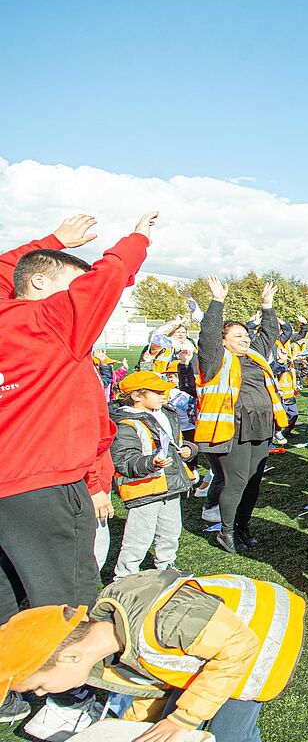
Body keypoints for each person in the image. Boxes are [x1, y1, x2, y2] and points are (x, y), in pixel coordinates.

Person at [0, 212, 155, 733]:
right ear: (38, 285)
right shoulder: (46, 325)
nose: (79, 296)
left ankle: (8, 685)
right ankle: (68, 705)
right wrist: (137, 240)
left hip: (7, 486)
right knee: (66, 598)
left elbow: (6, 271)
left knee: (7, 590)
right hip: (42, 483)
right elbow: (107, 281)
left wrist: (52, 242)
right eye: (71, 283)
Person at [0, 568, 304, 741]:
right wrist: (137, 732)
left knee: (227, 734)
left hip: (263, 636)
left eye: (37, 686)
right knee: (175, 720)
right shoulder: (106, 642)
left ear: (69, 657)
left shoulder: (165, 619)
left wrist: (184, 719)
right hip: (219, 643)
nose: (41, 693)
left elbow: (239, 647)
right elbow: (148, 684)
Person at [196, 277, 288, 555]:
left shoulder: (256, 356)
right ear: (223, 342)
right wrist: (217, 301)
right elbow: (208, 334)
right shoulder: (215, 358)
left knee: (253, 480)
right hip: (232, 428)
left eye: (246, 334)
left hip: (261, 426)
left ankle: (242, 526)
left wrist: (267, 305)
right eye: (238, 335)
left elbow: (270, 332)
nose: (246, 338)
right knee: (236, 481)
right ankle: (225, 532)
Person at [109, 371, 194, 582]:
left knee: (171, 530)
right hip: (145, 487)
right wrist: (150, 463)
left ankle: (166, 565)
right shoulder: (126, 423)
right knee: (138, 536)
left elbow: (176, 443)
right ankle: (125, 577)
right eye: (157, 392)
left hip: (171, 484)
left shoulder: (164, 413)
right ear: (137, 396)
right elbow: (124, 459)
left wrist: (188, 449)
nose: (163, 395)